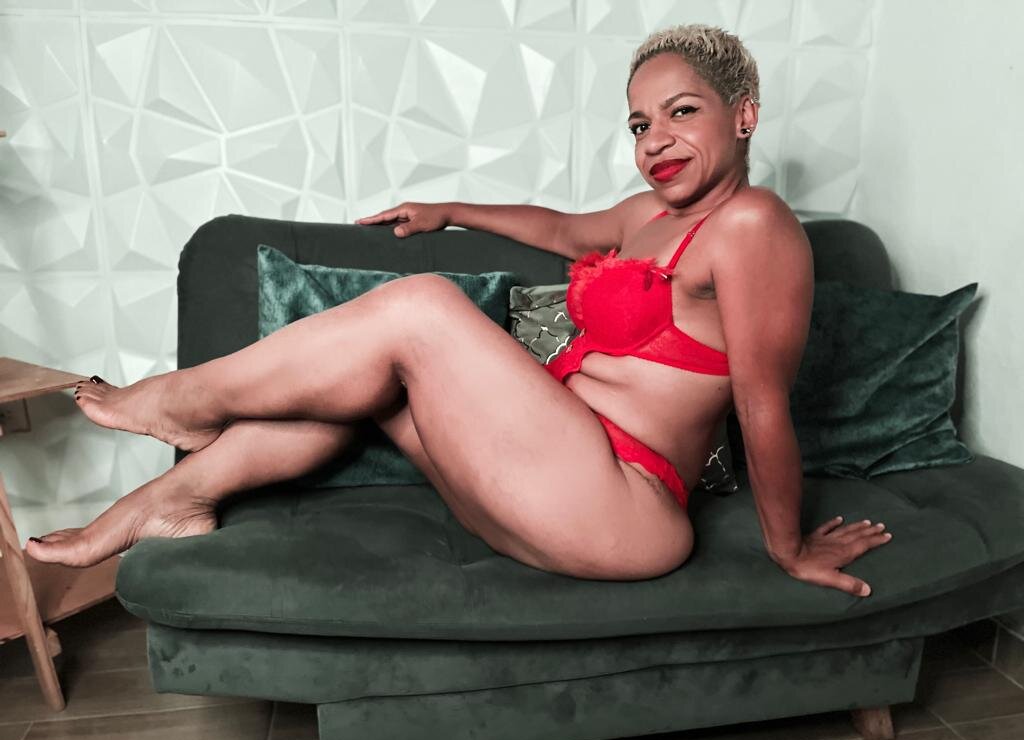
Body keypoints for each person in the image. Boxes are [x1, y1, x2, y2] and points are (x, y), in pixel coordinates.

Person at [27, 24, 891, 595]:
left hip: (621, 507)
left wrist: (788, 549)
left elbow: (762, 403)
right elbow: (563, 228)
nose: (655, 139)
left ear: (743, 116)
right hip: (537, 483)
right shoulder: (648, 216)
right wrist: (450, 210)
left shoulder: (755, 226)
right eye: (638, 125)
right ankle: (170, 503)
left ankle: (177, 401)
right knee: (365, 386)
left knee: (422, 308)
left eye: (681, 112)